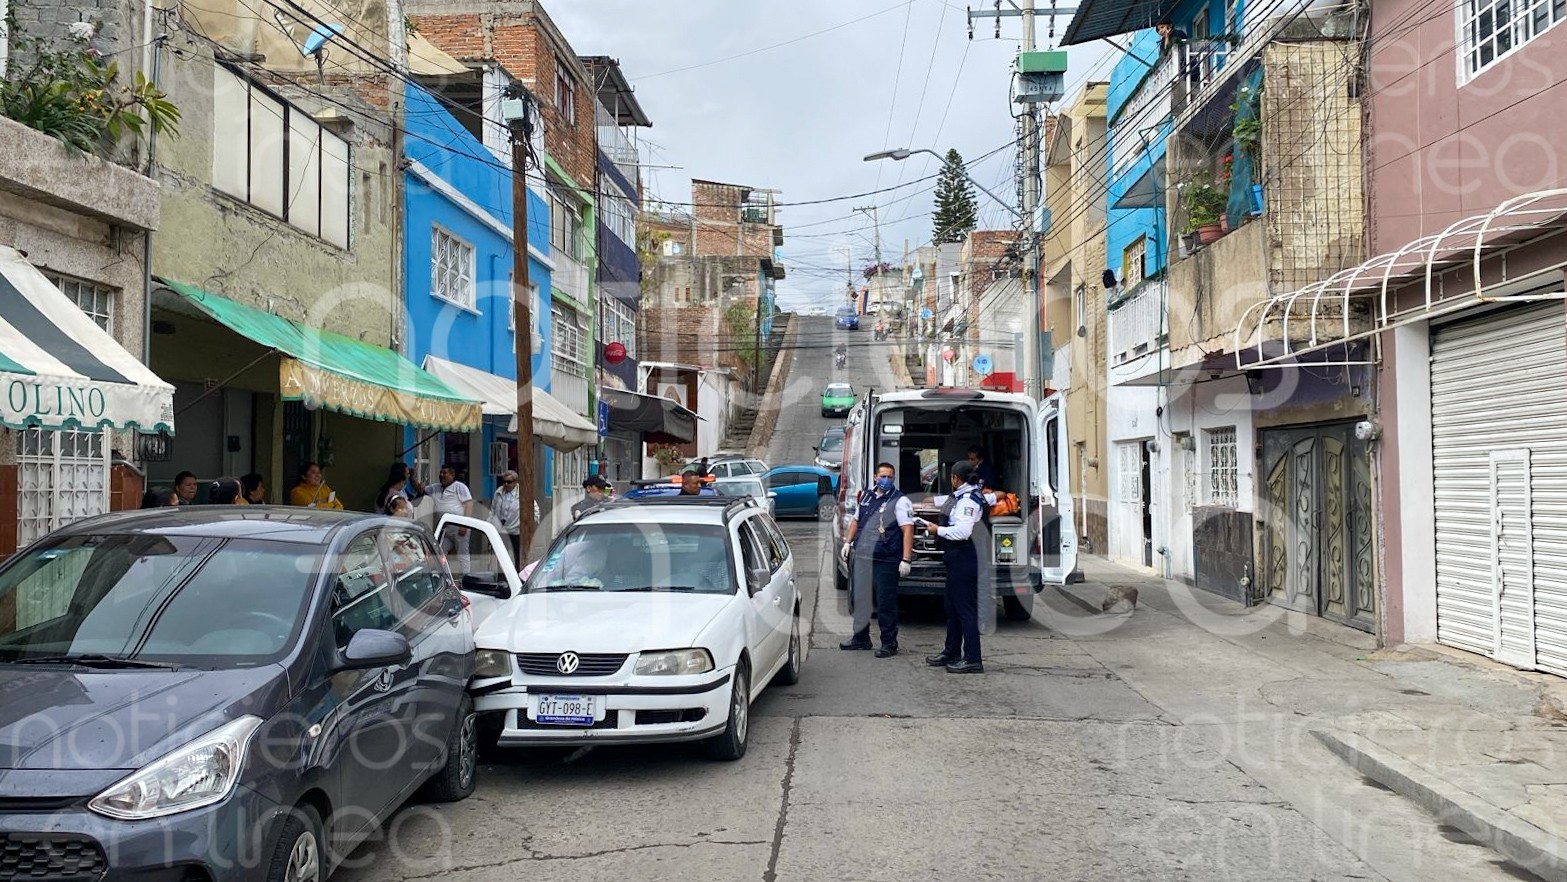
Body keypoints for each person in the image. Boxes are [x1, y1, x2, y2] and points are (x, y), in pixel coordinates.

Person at [838, 461, 915, 657]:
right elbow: (856, 520)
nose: (886, 480)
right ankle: (861, 638)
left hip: (886, 558)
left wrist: (906, 559)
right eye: (883, 476)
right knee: (860, 599)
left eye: (890, 477)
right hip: (863, 555)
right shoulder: (866, 496)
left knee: (885, 602)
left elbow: (907, 529)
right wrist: (847, 542)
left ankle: (889, 643)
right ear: (875, 476)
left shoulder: (900, 501)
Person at [920, 460, 987, 674]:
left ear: (956, 478)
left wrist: (936, 530)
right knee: (952, 608)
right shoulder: (962, 495)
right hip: (956, 557)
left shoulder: (969, 500)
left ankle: (973, 658)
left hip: (965, 556)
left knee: (965, 610)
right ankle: (952, 652)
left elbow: (962, 531)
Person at [431, 464, 474, 574]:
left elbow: (468, 504)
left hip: (459, 527)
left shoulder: (459, 487)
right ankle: (444, 577)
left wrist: (464, 524)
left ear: (452, 475)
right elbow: (421, 489)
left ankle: (465, 578)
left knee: (462, 554)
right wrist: (412, 477)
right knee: (440, 553)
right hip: (444, 528)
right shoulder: (435, 488)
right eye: (440, 473)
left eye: (444, 473)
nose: (441, 475)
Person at [490, 470, 522, 561]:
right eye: (504, 482)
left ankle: (517, 573)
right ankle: (501, 575)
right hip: (501, 529)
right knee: (501, 555)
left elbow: (534, 510)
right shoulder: (498, 492)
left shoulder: (522, 493)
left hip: (515, 530)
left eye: (509, 482)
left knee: (517, 555)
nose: (506, 484)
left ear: (515, 482)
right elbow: (493, 509)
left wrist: (523, 525)